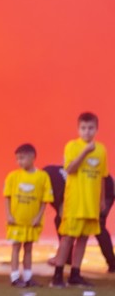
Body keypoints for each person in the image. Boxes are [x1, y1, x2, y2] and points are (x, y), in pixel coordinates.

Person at [50, 112, 107, 287]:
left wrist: (101, 200)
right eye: (83, 128)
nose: (87, 131)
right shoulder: (72, 146)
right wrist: (85, 152)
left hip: (91, 204)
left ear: (96, 129)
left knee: (83, 238)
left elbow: (102, 177)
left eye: (90, 128)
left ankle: (75, 274)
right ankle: (57, 275)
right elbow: (70, 169)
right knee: (68, 238)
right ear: (78, 129)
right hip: (75, 202)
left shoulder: (101, 150)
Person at [4, 144, 54, 287]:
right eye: (17, 159)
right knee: (16, 247)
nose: (19, 161)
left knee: (28, 248)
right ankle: (15, 277)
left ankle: (27, 277)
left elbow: (45, 200)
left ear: (32, 157)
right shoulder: (13, 176)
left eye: (22, 158)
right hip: (16, 221)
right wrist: (9, 215)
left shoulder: (42, 177)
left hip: (32, 222)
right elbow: (7, 197)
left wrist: (39, 217)